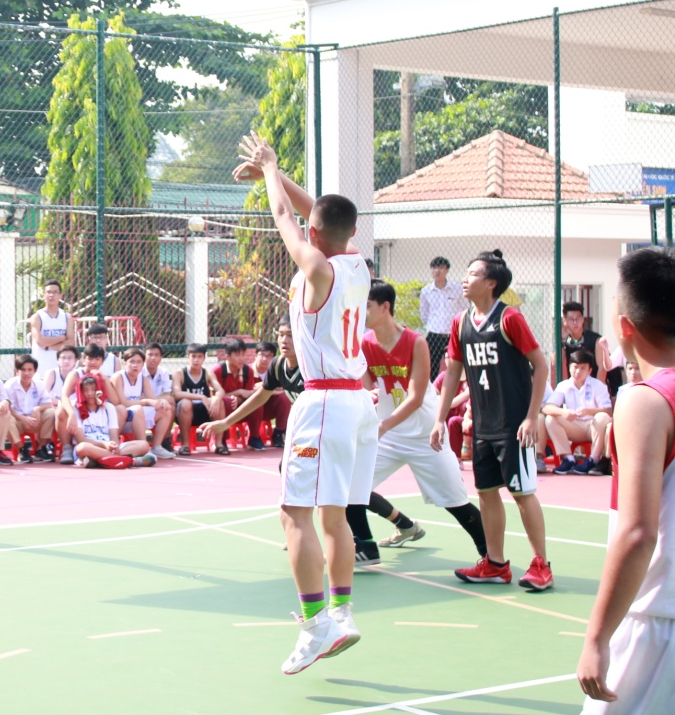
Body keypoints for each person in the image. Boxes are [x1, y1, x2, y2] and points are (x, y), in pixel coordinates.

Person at [232, 133, 377, 675]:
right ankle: (342, 611)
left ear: (314, 232)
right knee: (335, 516)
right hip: (359, 405)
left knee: (293, 515)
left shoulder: (315, 269)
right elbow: (315, 213)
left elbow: (282, 217)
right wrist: (278, 173)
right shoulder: (358, 264)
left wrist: (271, 169)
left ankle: (316, 626)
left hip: (322, 404)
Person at [577, 247, 675, 713]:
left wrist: (597, 637)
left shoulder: (643, 401)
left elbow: (639, 533)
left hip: (663, 624)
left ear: (624, 327)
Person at [431, 250, 553, 592]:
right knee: (486, 493)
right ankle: (496, 564)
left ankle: (542, 564)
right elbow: (453, 373)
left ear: (490, 283)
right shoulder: (460, 322)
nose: (465, 280)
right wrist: (440, 420)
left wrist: (532, 417)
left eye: (472, 274)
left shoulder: (510, 318)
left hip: (515, 425)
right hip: (483, 424)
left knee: (522, 493)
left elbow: (541, 366)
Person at [347, 281, 487, 566]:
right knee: (350, 486)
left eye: (367, 306)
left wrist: (382, 425)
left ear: (385, 307)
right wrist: (368, 397)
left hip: (425, 435)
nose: (361, 312)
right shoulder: (365, 343)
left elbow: (415, 397)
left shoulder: (416, 342)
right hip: (389, 433)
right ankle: (366, 547)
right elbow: (368, 387)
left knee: (455, 502)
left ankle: (490, 555)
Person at [545, 350, 613, 475]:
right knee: (550, 418)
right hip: (573, 426)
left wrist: (589, 411)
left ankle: (594, 459)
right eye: (575, 367)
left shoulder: (598, 386)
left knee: (602, 417)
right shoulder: (563, 385)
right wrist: (563, 412)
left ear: (590, 370)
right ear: (569, 367)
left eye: (583, 368)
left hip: (593, 427)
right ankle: (568, 459)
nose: (578, 372)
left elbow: (608, 410)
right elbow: (547, 407)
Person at [55, 344, 123, 464]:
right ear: (84, 359)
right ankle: (67, 447)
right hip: (78, 411)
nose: (93, 362)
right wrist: (71, 414)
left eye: (97, 359)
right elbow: (64, 396)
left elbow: (115, 401)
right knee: (61, 410)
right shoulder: (75, 374)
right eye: (90, 359)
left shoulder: (101, 376)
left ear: (102, 362)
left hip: (97, 411)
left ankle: (110, 447)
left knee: (120, 409)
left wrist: (105, 380)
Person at [70, 373, 155, 469]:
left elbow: (114, 436)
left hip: (109, 446)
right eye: (85, 390)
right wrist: (104, 444)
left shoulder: (109, 407)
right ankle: (130, 461)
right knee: (82, 448)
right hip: (92, 447)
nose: (89, 393)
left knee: (144, 444)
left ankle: (101, 460)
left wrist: (115, 446)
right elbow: (81, 440)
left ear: (99, 390)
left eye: (93, 389)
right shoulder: (77, 408)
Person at [111, 347, 174, 459]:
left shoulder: (143, 378)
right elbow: (123, 403)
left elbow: (152, 399)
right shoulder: (118, 377)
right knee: (138, 409)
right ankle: (143, 448)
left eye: (139, 362)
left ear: (142, 364)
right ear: (125, 363)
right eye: (132, 362)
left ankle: (156, 447)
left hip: (136, 416)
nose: (135, 365)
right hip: (120, 418)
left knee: (164, 410)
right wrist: (146, 401)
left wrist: (161, 401)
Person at [174, 343, 226, 455]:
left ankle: (219, 444)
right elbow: (177, 394)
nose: (196, 360)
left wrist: (216, 398)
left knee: (219, 402)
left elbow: (220, 390)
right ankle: (185, 445)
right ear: (187, 357)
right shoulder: (179, 373)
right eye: (193, 356)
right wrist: (201, 397)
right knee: (185, 403)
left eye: (199, 357)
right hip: (185, 414)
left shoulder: (208, 373)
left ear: (204, 358)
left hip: (205, 412)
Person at [420, 256, 462, 378]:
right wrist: (432, 325)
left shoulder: (457, 289)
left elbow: (464, 309)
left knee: (457, 364)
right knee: (430, 366)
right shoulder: (426, 291)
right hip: (434, 334)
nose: (437, 271)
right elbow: (424, 314)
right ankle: (431, 393)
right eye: (434, 267)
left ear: (447, 270)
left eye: (440, 267)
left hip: (453, 334)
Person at [5, 355, 54, 462]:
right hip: (18, 422)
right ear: (17, 371)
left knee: (51, 413)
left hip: (35, 420)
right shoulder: (10, 385)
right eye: (23, 370)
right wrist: (22, 418)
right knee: (5, 418)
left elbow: (48, 404)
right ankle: (22, 450)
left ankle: (41, 449)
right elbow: (7, 407)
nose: (26, 373)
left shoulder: (39, 384)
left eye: (30, 370)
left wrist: (37, 409)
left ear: (35, 371)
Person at [29, 279, 74, 378]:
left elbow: (70, 342)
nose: (51, 295)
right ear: (43, 295)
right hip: (41, 371)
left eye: (55, 292)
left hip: (61, 371)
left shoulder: (67, 317)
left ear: (60, 296)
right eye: (48, 292)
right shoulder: (37, 317)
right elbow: (41, 342)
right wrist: (61, 338)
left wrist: (49, 347)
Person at [560, 301, 609, 385]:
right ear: (565, 321)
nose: (575, 322)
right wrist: (562, 340)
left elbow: (602, 368)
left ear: (583, 319)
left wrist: (597, 389)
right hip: (573, 388)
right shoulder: (564, 341)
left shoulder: (595, 340)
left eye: (578, 319)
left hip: (593, 387)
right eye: (571, 319)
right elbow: (556, 363)